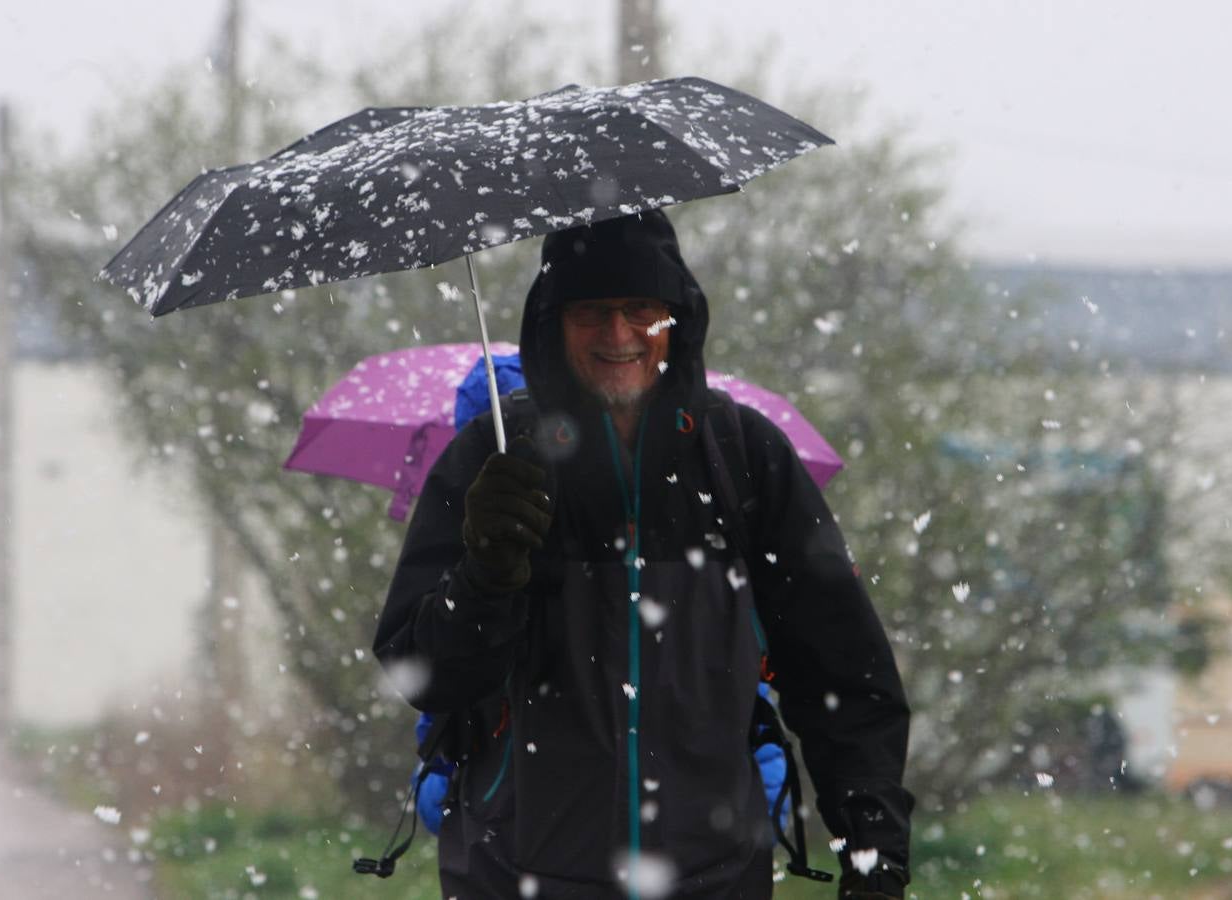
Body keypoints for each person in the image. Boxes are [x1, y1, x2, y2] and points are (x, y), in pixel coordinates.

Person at [374, 210, 913, 899]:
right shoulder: (494, 457)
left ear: (677, 319)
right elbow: (427, 678)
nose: (618, 334)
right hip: (512, 876)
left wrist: (874, 857)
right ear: (551, 323)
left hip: (714, 880)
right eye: (591, 311)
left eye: (640, 309)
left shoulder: (743, 457)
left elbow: (843, 678)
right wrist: (487, 575)